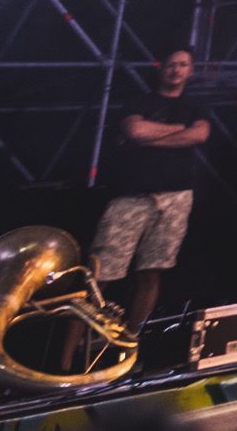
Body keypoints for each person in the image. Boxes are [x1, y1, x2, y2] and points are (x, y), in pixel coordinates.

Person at [89, 46, 206, 331]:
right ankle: (68, 357)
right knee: (100, 273)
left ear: (190, 70)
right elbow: (135, 131)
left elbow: (199, 134)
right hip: (131, 195)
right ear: (161, 67)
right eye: (171, 64)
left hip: (176, 196)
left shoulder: (195, 107)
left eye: (183, 65)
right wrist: (178, 131)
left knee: (152, 271)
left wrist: (152, 136)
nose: (176, 70)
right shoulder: (138, 101)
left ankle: (132, 343)